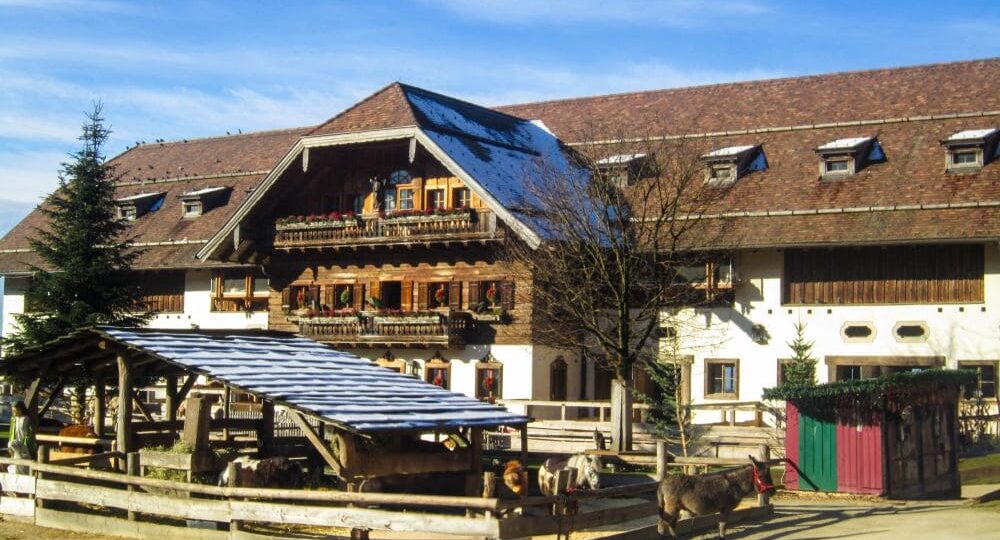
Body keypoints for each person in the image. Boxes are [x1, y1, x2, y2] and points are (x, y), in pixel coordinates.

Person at [7, 400, 36, 474]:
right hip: (15, 445)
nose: (14, 413)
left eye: (15, 411)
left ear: (20, 410)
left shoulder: (26, 419)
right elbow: (11, 433)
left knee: (23, 465)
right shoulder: (14, 419)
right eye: (13, 411)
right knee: (15, 465)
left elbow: (30, 434)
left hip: (23, 446)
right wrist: (10, 447)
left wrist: (26, 445)